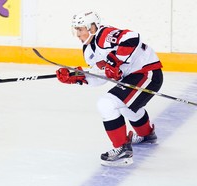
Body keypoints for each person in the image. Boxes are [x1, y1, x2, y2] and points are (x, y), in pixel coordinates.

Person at [55, 11, 163, 167]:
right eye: (76, 30)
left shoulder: (104, 34)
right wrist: (78, 77)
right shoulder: (88, 51)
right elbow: (103, 76)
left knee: (106, 104)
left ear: (92, 27)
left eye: (80, 29)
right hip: (133, 77)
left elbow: (132, 37)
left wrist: (116, 62)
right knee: (123, 106)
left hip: (147, 73)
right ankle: (146, 134)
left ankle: (122, 150)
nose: (77, 34)